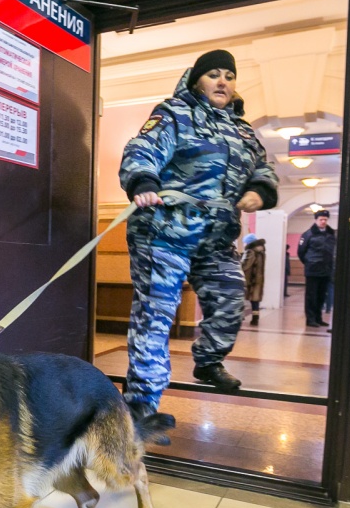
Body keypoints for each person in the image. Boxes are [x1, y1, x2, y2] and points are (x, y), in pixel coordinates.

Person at [119, 49, 279, 419]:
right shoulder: (174, 113)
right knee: (155, 316)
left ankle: (207, 362)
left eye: (229, 75)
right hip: (164, 232)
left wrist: (260, 191)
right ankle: (141, 406)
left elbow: (264, 168)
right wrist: (143, 181)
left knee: (231, 303)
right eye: (213, 75)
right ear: (197, 81)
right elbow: (141, 149)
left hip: (216, 240)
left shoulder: (243, 129)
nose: (223, 81)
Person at [297, 209, 335, 328]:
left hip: (326, 270)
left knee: (321, 296)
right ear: (316, 220)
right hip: (312, 270)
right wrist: (309, 262)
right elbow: (301, 252)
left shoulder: (330, 234)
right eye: (321, 219)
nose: (323, 221)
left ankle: (319, 318)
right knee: (311, 296)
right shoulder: (308, 234)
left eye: (325, 219)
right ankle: (310, 319)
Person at [240, 232, 266, 326]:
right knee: (255, 300)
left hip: (250, 279)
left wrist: (239, 264)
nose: (244, 244)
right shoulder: (261, 251)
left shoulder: (251, 251)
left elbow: (246, 265)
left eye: (245, 242)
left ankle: (240, 317)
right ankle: (255, 318)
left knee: (240, 297)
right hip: (258, 279)